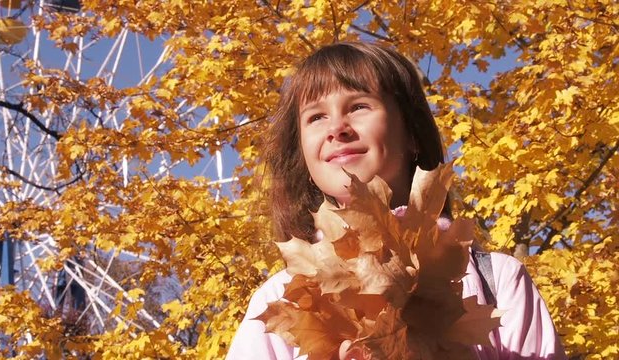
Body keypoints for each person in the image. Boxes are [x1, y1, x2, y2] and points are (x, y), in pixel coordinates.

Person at [227, 42, 566, 360]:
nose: (337, 128)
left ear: (412, 134)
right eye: (316, 117)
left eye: (358, 106)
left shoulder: (498, 281)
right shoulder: (282, 302)